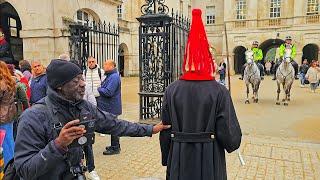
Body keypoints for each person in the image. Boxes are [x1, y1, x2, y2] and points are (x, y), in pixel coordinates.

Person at [14, 59, 169, 179]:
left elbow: (114, 124)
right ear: (59, 86)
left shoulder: (83, 107)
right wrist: (58, 144)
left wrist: (150, 129)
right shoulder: (33, 117)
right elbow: (24, 169)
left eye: (82, 78)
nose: (83, 84)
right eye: (76, 81)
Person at [159, 9, 242, 180]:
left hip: (179, 159)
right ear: (207, 60)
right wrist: (233, 141)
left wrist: (167, 156)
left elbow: (166, 130)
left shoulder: (171, 90)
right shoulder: (220, 91)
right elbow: (230, 138)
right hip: (209, 161)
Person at [97, 60, 122, 156]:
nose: (104, 66)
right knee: (113, 126)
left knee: (114, 127)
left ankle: (115, 148)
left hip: (112, 107)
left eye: (106, 64)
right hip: (110, 106)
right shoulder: (110, 76)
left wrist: (98, 89)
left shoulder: (114, 77)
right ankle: (114, 145)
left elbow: (108, 92)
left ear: (112, 66)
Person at [7, 64, 29, 139]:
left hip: (6, 115)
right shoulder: (18, 85)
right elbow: (24, 100)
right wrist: (27, 112)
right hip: (16, 112)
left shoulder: (4, 84)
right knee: (16, 133)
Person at [0, 61, 16, 166]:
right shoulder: (10, 80)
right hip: (9, 113)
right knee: (9, 140)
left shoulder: (1, 83)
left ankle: (8, 167)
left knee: (4, 142)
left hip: (2, 114)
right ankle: (12, 165)